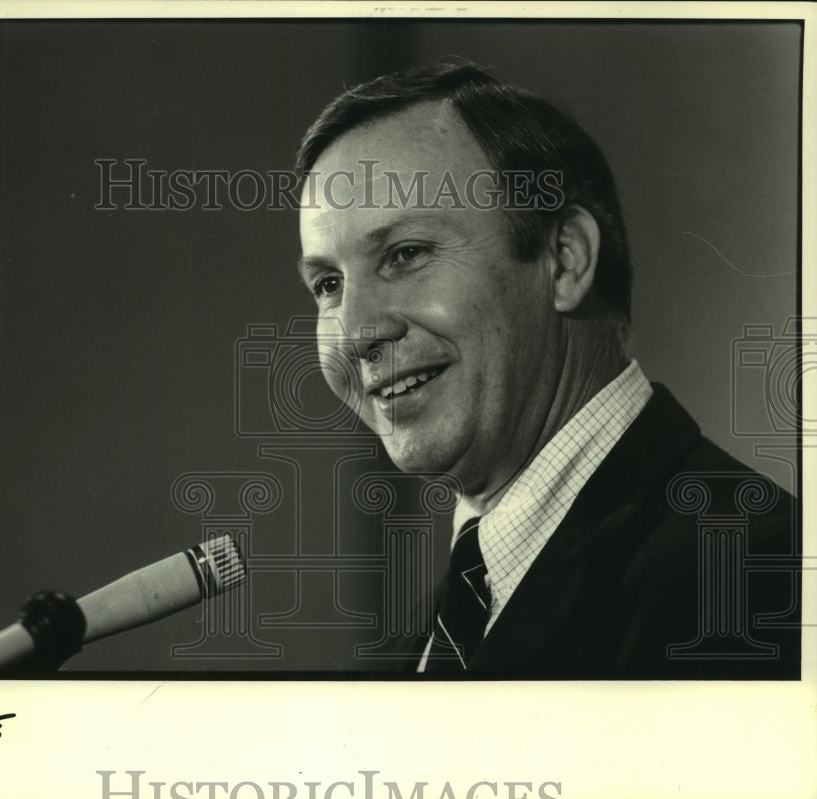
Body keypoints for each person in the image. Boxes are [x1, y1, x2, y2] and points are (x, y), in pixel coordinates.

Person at [293, 59, 799, 678]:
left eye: (406, 254)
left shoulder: (759, 577)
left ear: (564, 261)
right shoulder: (443, 621)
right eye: (328, 284)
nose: (356, 331)